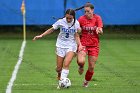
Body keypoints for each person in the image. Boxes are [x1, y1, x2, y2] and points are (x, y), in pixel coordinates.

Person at [33, 9, 82, 83]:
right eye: (67, 18)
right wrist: (41, 35)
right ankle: (59, 73)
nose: (68, 20)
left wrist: (80, 45)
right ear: (65, 16)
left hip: (71, 45)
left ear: (73, 17)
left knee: (66, 63)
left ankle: (62, 82)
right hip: (60, 45)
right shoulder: (61, 21)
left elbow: (77, 35)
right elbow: (52, 29)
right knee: (59, 68)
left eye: (70, 18)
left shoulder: (76, 23)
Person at [77, 2, 103, 87]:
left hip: (94, 45)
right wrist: (79, 30)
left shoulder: (97, 18)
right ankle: (81, 67)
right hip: (83, 44)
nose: (86, 13)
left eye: (88, 11)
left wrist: (99, 30)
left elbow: (100, 29)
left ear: (92, 10)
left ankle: (86, 82)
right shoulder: (81, 19)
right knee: (81, 61)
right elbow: (77, 31)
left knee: (91, 67)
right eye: (85, 11)